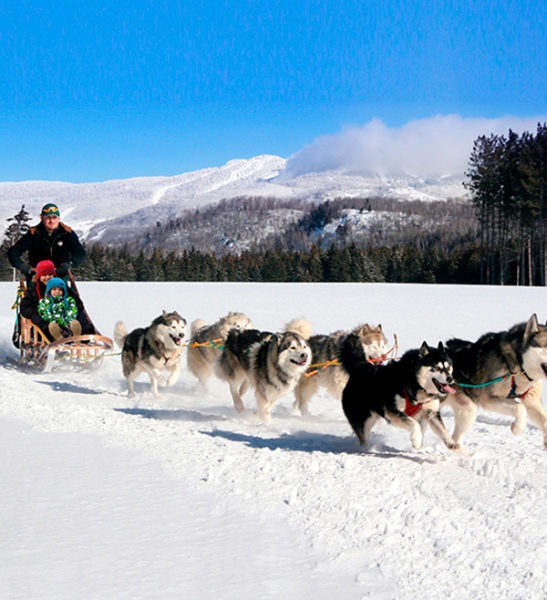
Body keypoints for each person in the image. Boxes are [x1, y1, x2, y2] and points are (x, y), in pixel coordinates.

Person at [7, 203, 86, 279]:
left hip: (60, 274)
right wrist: (21, 265)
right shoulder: (33, 234)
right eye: (48, 217)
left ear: (58, 218)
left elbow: (80, 253)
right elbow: (14, 251)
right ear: (42, 218)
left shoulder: (67, 233)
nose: (51, 221)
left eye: (54, 217)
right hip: (36, 275)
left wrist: (70, 263)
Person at [20, 259, 94, 335]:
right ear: (39, 276)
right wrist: (41, 310)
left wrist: (70, 309)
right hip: (46, 318)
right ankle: (52, 333)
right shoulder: (33, 290)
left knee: (78, 310)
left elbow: (78, 302)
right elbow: (24, 308)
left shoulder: (61, 285)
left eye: (50, 275)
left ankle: (84, 330)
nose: (47, 277)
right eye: (44, 275)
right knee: (36, 316)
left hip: (65, 315)